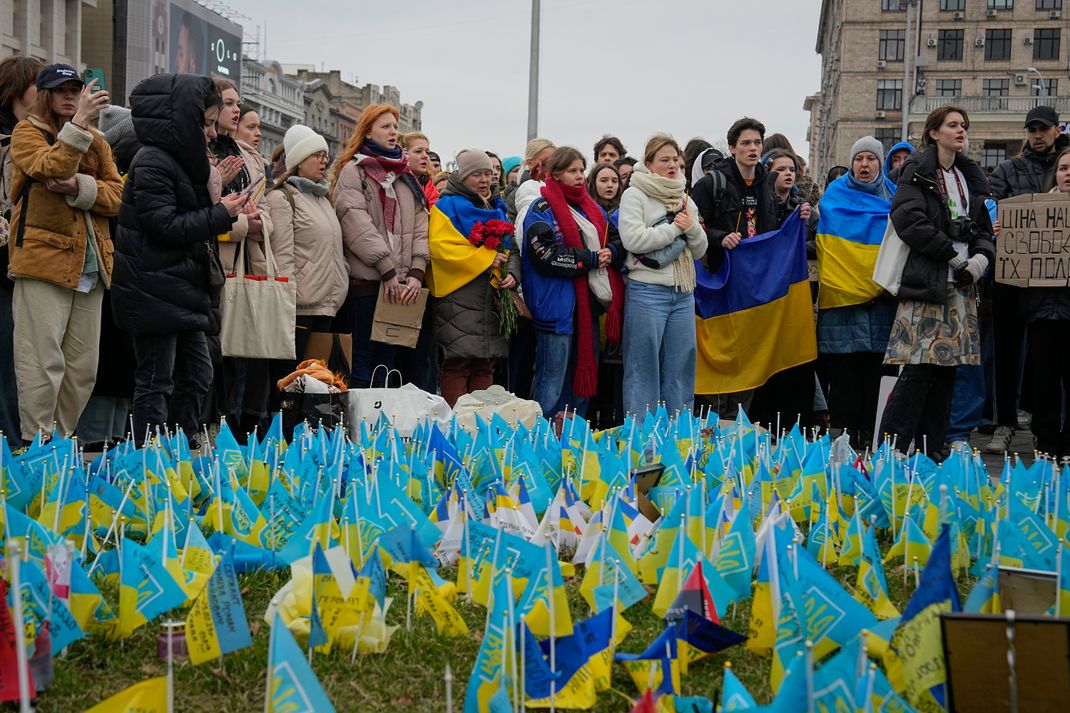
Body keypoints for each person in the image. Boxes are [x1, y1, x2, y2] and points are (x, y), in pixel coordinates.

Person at [112, 74, 241, 444]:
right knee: (156, 380)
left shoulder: (188, 163)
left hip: (179, 288)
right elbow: (164, 225)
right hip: (152, 289)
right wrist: (222, 214)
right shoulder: (153, 160)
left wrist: (218, 202)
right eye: (206, 124)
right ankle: (148, 459)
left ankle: (178, 448)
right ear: (184, 121)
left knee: (199, 373)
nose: (212, 134)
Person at [7, 64, 121, 444]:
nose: (71, 97)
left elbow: (118, 197)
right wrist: (79, 128)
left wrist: (80, 187)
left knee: (82, 368)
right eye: (61, 91)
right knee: (41, 362)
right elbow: (49, 167)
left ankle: (59, 439)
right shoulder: (28, 132)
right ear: (45, 95)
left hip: (91, 265)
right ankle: (35, 442)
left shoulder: (98, 140)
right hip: (42, 262)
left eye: (76, 89)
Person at [879, 106, 997, 458]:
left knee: (947, 374)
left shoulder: (969, 176)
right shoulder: (917, 171)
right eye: (953, 125)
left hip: (961, 285)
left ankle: (932, 452)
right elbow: (909, 221)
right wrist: (951, 254)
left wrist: (980, 258)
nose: (961, 130)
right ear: (934, 133)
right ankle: (892, 450)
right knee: (917, 372)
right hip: (928, 283)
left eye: (964, 125)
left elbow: (982, 226)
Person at [330, 103, 432, 391]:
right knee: (363, 356)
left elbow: (421, 225)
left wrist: (416, 271)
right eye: (385, 126)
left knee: (389, 360)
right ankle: (361, 424)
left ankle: (382, 424)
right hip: (370, 280)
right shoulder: (355, 171)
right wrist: (387, 269)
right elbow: (355, 223)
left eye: (394, 126)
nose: (393, 132)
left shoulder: (405, 175)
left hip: (401, 283)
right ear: (368, 131)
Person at [983, 106, 1067, 454]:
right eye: (1032, 129)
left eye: (1043, 129)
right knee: (1007, 350)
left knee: (1048, 358)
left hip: (1059, 285)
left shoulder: (1066, 164)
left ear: (1056, 131)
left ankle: (1040, 421)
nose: (1037, 135)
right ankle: (1004, 423)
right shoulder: (1008, 169)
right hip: (1014, 278)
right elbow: (988, 204)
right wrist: (996, 221)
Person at [522, 147, 625, 418]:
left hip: (586, 308)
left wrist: (610, 252)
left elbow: (615, 239)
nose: (580, 176)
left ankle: (572, 440)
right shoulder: (541, 208)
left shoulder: (591, 208)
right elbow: (544, 254)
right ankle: (542, 439)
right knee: (551, 383)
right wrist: (589, 259)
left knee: (580, 387)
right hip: (555, 309)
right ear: (555, 174)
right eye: (572, 171)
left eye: (581, 170)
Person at [691, 117, 778, 418]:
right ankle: (713, 422)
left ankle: (737, 423)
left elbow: (773, 227)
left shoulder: (768, 181)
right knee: (721, 354)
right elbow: (694, 224)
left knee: (749, 355)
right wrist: (719, 238)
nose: (753, 149)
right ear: (732, 148)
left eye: (757, 143)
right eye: (746, 144)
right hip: (719, 283)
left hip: (754, 287)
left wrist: (800, 216)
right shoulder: (711, 183)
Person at [815, 137, 898, 449]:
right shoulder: (834, 196)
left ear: (880, 163)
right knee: (846, 374)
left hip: (883, 301)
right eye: (859, 159)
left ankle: (873, 432)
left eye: (871, 159)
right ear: (852, 163)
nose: (865, 165)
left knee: (878, 370)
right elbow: (827, 244)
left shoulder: (895, 197)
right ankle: (846, 437)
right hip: (843, 303)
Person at [618, 134, 707, 420]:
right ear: (649, 163)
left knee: (681, 366)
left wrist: (691, 227)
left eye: (676, 161)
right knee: (643, 367)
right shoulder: (635, 193)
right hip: (647, 291)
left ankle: (679, 435)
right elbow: (633, 240)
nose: (672, 166)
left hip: (683, 292)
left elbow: (700, 248)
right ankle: (641, 437)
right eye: (664, 160)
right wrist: (675, 229)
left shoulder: (683, 196)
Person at [428, 150, 520, 406]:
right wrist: (484, 259)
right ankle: (457, 421)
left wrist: (512, 273)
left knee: (485, 362)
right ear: (463, 175)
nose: (484, 179)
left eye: (488, 174)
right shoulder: (446, 206)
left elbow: (510, 245)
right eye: (476, 174)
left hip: (490, 296)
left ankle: (480, 422)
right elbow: (440, 247)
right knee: (458, 362)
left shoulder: (495, 206)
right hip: (459, 295)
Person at [209, 78, 272, 439]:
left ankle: (238, 429)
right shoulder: (202, 150)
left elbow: (266, 211)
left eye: (237, 103)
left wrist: (258, 220)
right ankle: (217, 426)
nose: (235, 109)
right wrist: (242, 222)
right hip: (217, 261)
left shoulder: (250, 157)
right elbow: (204, 213)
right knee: (218, 351)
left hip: (248, 264)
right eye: (229, 103)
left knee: (242, 351)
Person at [267, 125, 348, 366]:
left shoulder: (323, 198)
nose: (324, 161)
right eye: (317, 155)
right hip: (299, 308)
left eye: (325, 155)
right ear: (299, 160)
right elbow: (282, 256)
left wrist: (342, 274)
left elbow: (335, 247)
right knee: (291, 378)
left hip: (328, 303)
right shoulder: (282, 198)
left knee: (317, 381)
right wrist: (288, 298)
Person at [0, 55, 43, 447]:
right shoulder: (7, 140)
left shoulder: (42, 136)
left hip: (31, 262)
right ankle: (10, 440)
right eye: (38, 84)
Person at [1023, 147, 1070, 456]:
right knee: (1045, 381)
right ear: (1055, 174)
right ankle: (1047, 443)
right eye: (1064, 168)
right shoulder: (1033, 211)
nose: (1069, 174)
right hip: (1042, 310)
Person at [506, 137, 556, 399]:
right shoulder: (521, 193)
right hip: (525, 285)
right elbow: (517, 240)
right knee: (523, 359)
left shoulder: (553, 192)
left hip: (546, 287)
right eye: (546, 161)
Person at [400, 131, 439, 206]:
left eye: (427, 152)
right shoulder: (392, 182)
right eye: (418, 151)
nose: (425, 156)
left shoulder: (430, 186)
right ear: (404, 154)